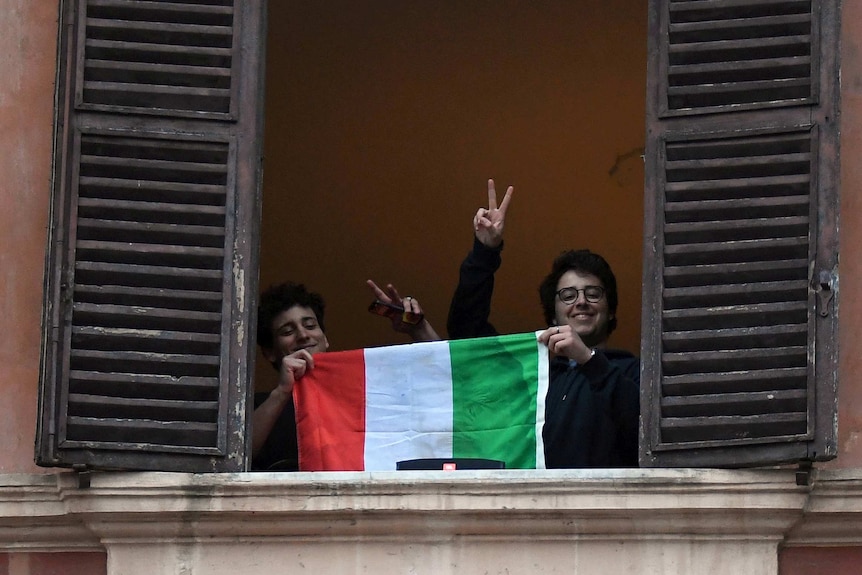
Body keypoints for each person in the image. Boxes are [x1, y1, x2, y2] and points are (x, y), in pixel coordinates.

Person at [447, 179, 640, 468]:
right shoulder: (535, 376)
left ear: (610, 311)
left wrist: (589, 361)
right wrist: (485, 251)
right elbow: (466, 330)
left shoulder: (632, 372)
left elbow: (640, 424)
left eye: (593, 293)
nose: (581, 302)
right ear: (553, 315)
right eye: (568, 295)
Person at [252, 280, 439, 471]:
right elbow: (235, 456)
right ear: (269, 352)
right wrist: (282, 392)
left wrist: (418, 329)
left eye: (310, 326)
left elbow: (446, 390)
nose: (303, 335)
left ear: (325, 339)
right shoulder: (260, 408)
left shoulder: (365, 392)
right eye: (288, 331)